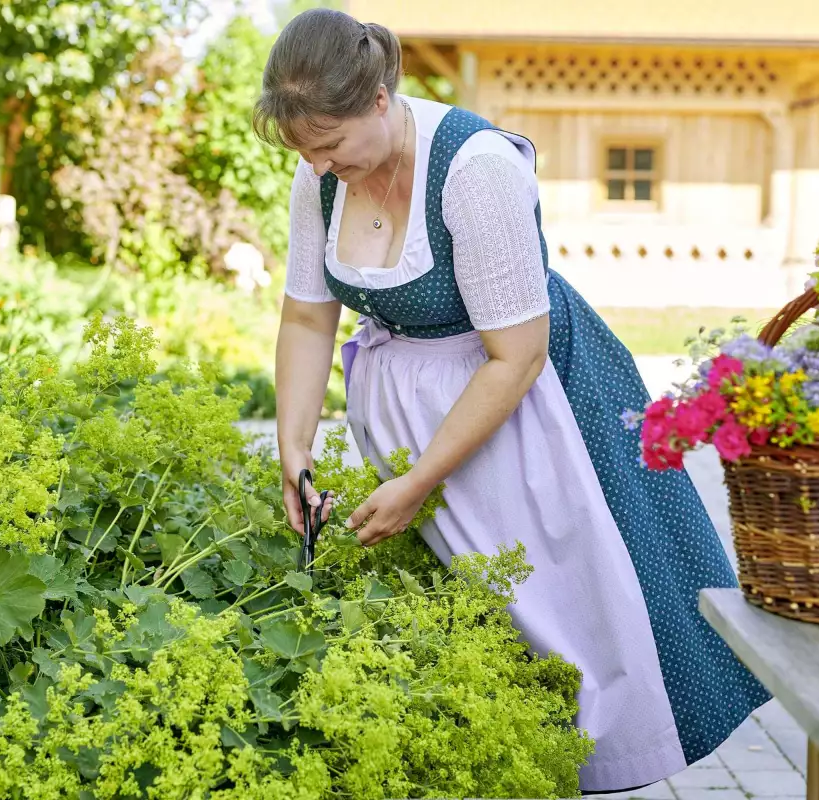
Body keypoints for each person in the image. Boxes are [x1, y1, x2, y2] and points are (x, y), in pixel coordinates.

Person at [256, 7, 770, 795]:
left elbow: (516, 357)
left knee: (563, 609)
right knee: (462, 623)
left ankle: (578, 768)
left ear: (382, 99)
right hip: (417, 425)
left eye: (330, 147)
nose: (319, 168)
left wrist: (421, 480)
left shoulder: (476, 169)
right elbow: (305, 313)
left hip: (530, 414)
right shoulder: (319, 175)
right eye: (304, 151)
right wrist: (294, 450)